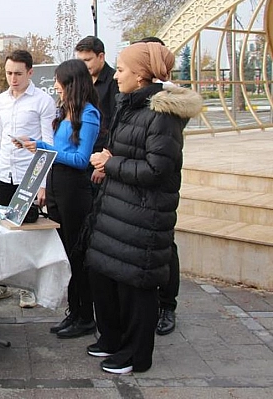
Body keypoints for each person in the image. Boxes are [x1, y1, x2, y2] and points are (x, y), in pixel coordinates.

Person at [86, 42, 202, 374]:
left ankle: (135, 355)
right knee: (106, 275)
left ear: (140, 76)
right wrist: (110, 162)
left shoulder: (162, 115)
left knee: (136, 286)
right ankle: (112, 339)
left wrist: (112, 163)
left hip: (143, 215)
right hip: (119, 210)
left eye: (121, 70)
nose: (116, 75)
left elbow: (157, 170)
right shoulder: (131, 105)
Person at [16, 59, 101, 338]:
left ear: (71, 83)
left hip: (74, 190)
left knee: (77, 254)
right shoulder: (65, 112)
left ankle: (85, 315)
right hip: (56, 186)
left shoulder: (88, 114)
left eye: (59, 81)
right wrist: (37, 147)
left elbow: (80, 159)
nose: (55, 86)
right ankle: (74, 311)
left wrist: (42, 148)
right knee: (65, 253)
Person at [0, 50, 56, 309]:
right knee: (2, 230)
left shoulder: (43, 101)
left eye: (18, 73)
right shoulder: (0, 101)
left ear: (30, 73)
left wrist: (43, 184)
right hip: (4, 173)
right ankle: (1, 282)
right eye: (9, 73)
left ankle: (28, 287)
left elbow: (48, 145)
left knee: (28, 232)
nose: (13, 78)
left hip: (29, 176)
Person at [134, 36, 180, 337]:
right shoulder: (129, 95)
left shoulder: (168, 104)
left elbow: (159, 161)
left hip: (156, 190)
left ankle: (167, 305)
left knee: (165, 249)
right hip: (134, 188)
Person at [74, 36, 118, 195]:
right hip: (81, 158)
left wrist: (104, 165)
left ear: (101, 56)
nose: (84, 66)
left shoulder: (114, 82)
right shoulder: (81, 83)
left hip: (100, 160)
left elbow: (116, 125)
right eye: (80, 61)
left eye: (87, 60)